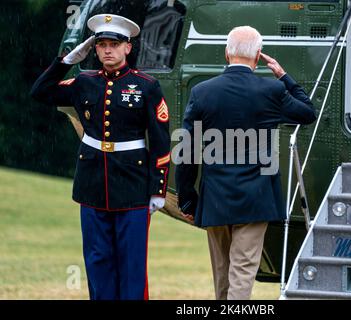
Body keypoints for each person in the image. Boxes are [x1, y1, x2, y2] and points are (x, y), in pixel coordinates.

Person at [30, 14, 170, 300]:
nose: (108, 50)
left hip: (133, 185)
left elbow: (160, 141)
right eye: (101, 44)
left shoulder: (146, 86)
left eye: (114, 44)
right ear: (94, 49)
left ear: (127, 48)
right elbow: (40, 92)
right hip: (92, 183)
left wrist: (158, 189)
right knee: (97, 260)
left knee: (131, 262)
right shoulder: (84, 81)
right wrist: (67, 60)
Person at [175, 26, 316, 300]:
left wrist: (187, 198)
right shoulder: (272, 90)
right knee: (243, 270)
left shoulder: (202, 92)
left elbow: (187, 150)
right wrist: (283, 76)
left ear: (227, 53)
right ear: (258, 56)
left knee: (222, 272)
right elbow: (307, 112)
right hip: (257, 196)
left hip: (215, 197)